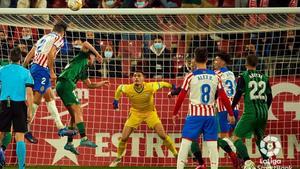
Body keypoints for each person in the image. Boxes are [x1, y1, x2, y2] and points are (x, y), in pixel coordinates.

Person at [172, 47, 235, 169]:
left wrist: (175, 112)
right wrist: (231, 113)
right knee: (212, 145)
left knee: (185, 143)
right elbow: (223, 97)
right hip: (210, 115)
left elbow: (181, 96)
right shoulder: (215, 76)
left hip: (195, 116)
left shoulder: (190, 76)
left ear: (195, 59)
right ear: (207, 59)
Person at [109, 71, 178, 167]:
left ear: (143, 78)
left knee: (162, 135)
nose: (136, 78)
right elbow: (120, 88)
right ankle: (118, 157)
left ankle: (175, 154)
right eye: (134, 76)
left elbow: (162, 84)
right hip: (135, 114)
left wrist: (172, 86)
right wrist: (116, 100)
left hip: (150, 113)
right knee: (124, 137)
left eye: (139, 76)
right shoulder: (128, 88)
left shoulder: (150, 86)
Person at [23, 22, 75, 144]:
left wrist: (24, 67)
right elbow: (51, 54)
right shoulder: (59, 38)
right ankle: (25, 128)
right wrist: (51, 72)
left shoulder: (44, 37)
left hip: (35, 67)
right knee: (36, 99)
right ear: (63, 32)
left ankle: (61, 127)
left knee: (49, 96)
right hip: (43, 69)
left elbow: (30, 53)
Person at [56, 41, 107, 155]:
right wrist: (97, 53)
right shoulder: (82, 56)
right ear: (91, 56)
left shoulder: (84, 69)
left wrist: (102, 83)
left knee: (75, 115)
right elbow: (86, 43)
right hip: (66, 82)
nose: (95, 60)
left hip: (63, 85)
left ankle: (69, 143)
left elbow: (89, 85)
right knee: (78, 109)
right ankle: (84, 138)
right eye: (94, 58)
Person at [231, 54, 273, 169]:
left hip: (250, 113)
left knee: (235, 138)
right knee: (260, 138)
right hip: (263, 112)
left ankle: (248, 162)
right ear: (257, 64)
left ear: (246, 63)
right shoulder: (265, 77)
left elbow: (238, 94)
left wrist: (231, 108)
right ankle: (267, 164)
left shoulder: (243, 76)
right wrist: (264, 109)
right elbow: (270, 97)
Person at [0, 47, 34, 169]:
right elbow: (29, 94)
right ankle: (21, 167)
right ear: (21, 59)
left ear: (9, 58)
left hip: (4, 103)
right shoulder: (26, 72)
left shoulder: (2, 70)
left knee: (1, 133)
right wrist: (30, 110)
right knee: (20, 136)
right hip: (20, 105)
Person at [213, 52, 239, 168]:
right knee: (234, 137)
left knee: (222, 137)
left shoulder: (216, 74)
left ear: (223, 62)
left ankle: (234, 157)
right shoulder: (231, 73)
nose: (215, 62)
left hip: (224, 108)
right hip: (235, 107)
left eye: (217, 60)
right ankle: (239, 159)